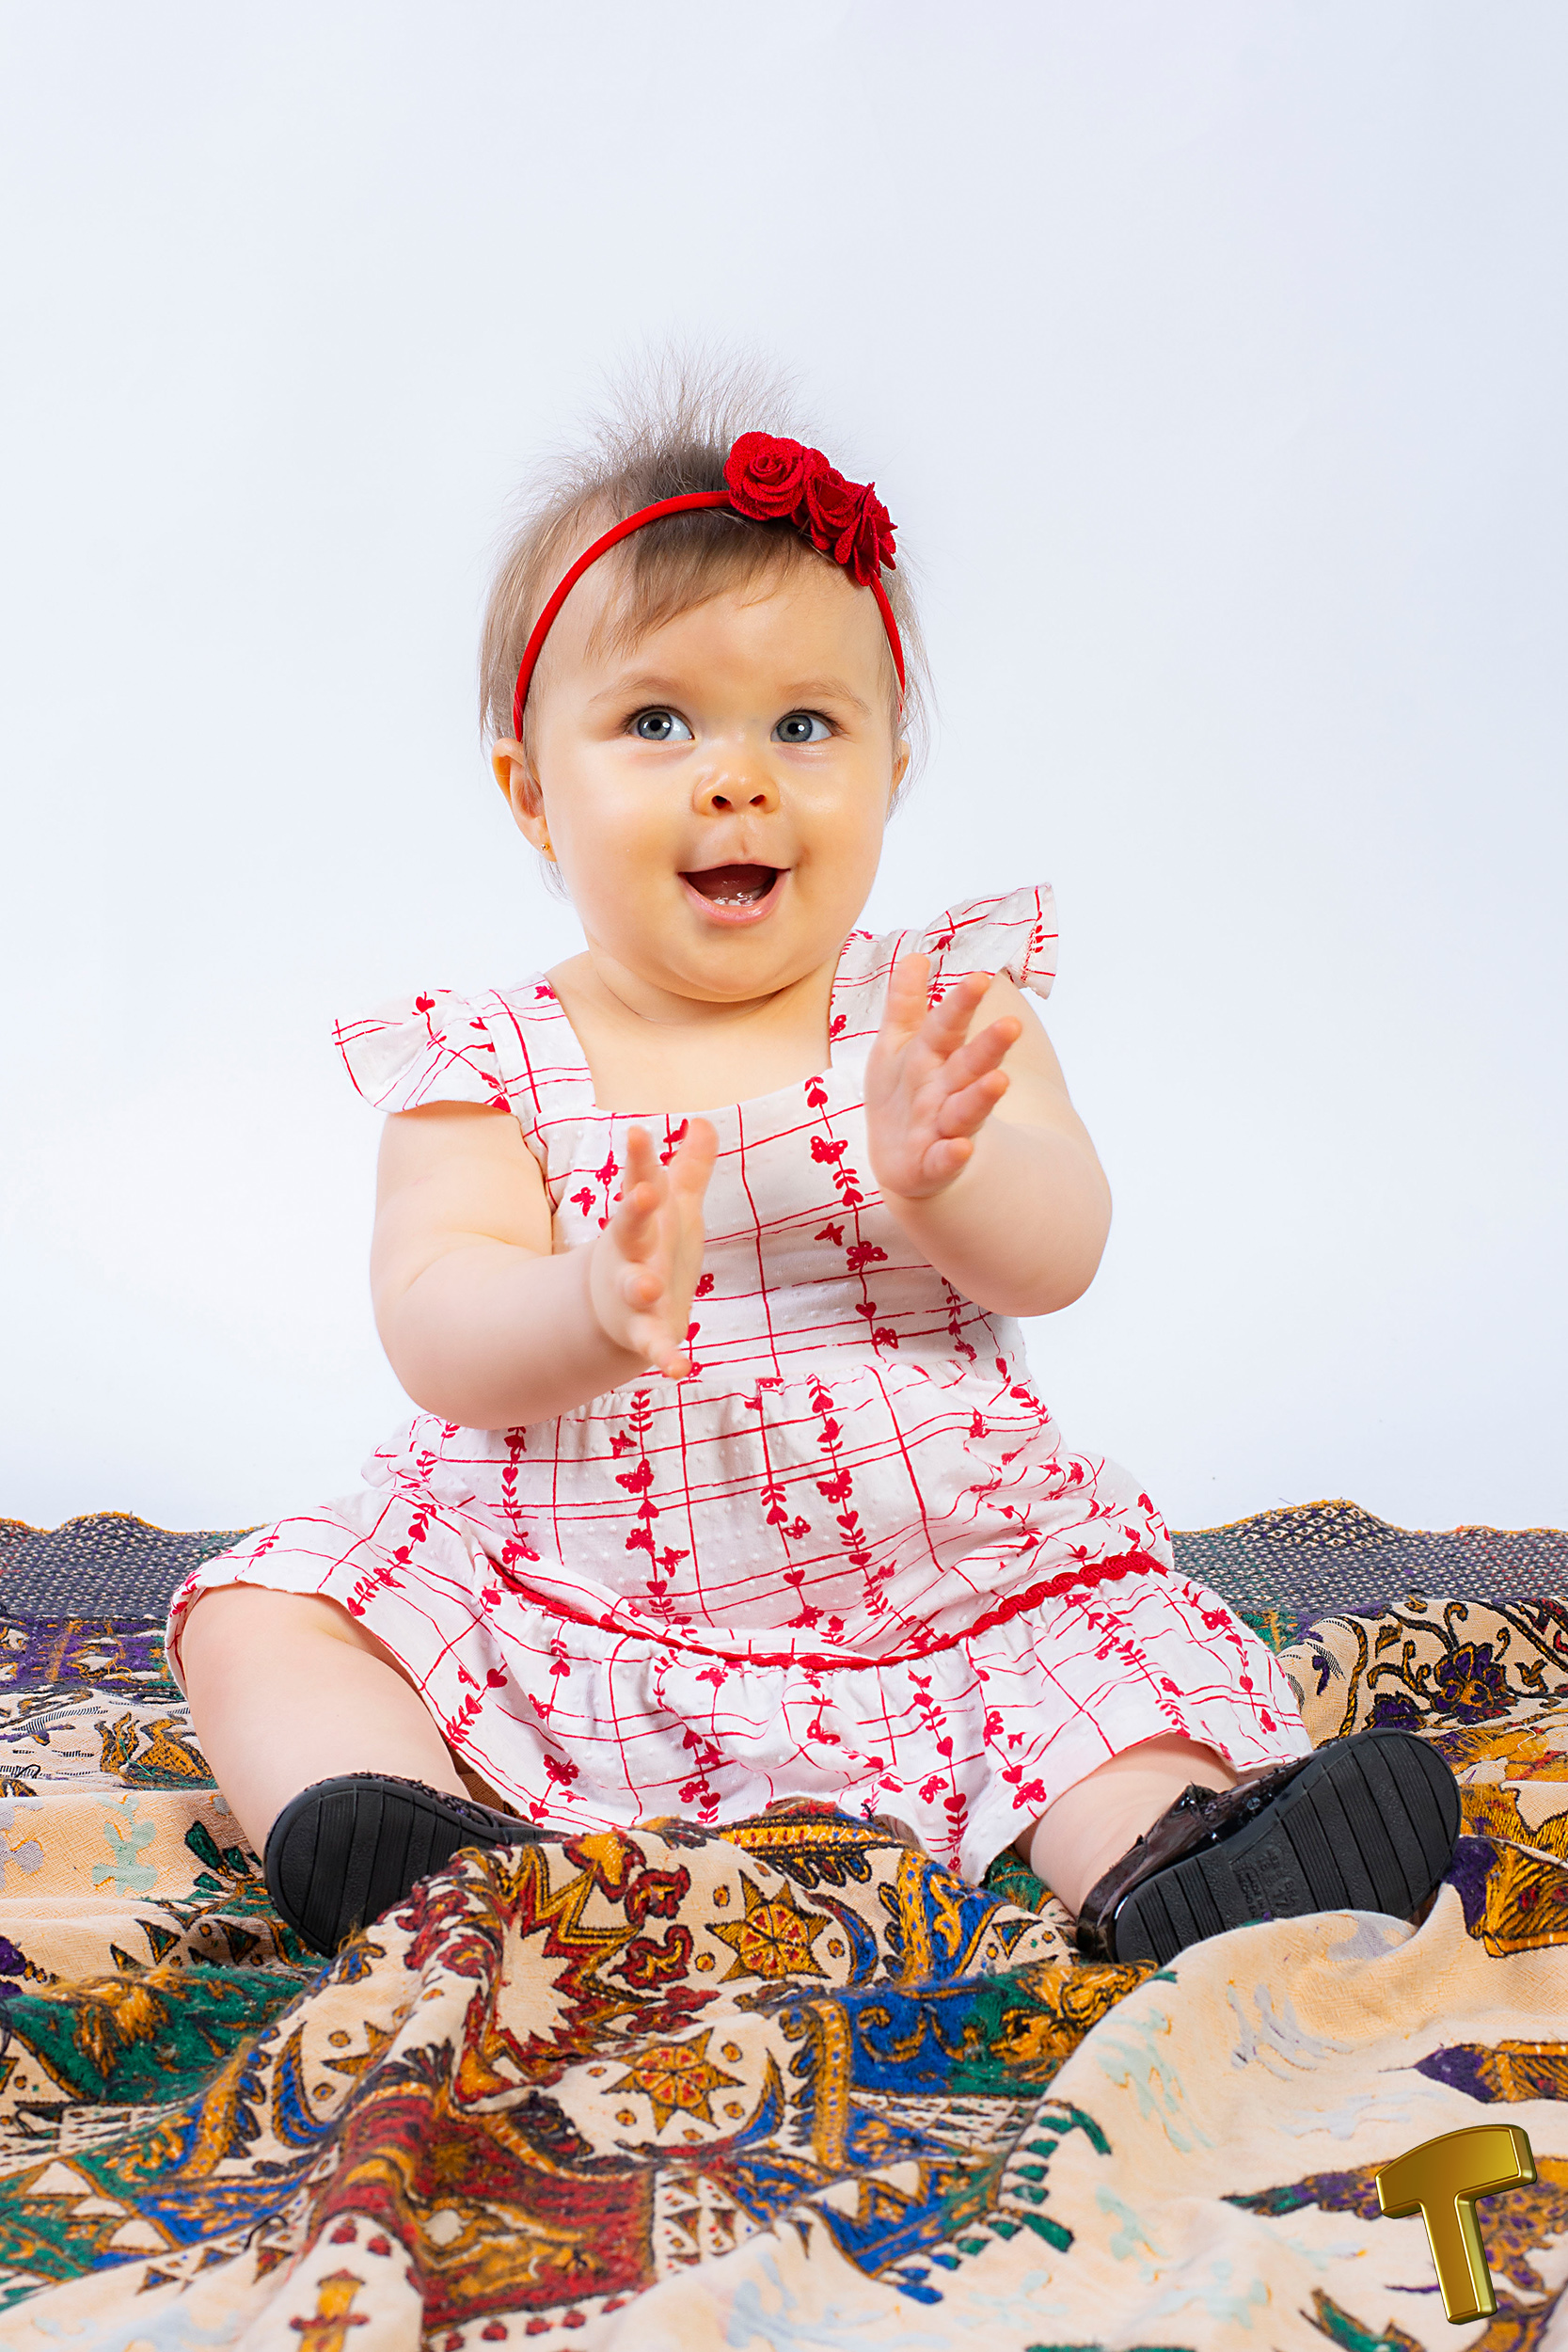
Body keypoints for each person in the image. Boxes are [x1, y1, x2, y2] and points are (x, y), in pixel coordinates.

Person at [171, 379, 1459, 1961]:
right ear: (531, 793)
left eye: (804, 724)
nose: (739, 776)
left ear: (891, 765)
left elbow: (1065, 1248)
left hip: (945, 1591)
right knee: (266, 1613)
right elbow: (434, 1323)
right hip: (560, 1592)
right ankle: (402, 1831)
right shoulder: (485, 1062)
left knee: (1097, 1676)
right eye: (658, 723)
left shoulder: (942, 1015)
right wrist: (585, 1305)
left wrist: (944, 1178)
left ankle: (1173, 1863)